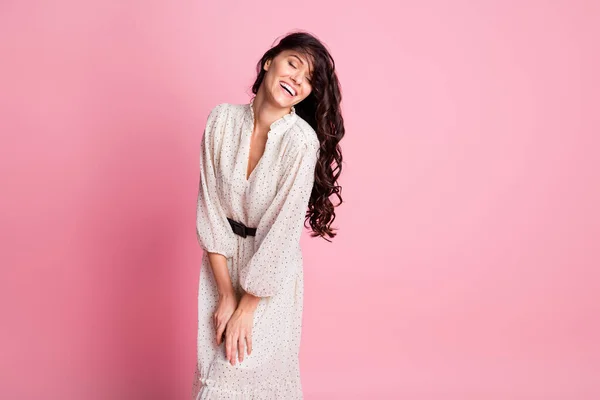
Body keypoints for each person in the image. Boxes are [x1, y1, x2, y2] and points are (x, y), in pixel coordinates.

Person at [192, 31, 345, 399]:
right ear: (268, 62)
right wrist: (226, 295)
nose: (296, 79)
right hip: (220, 267)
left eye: (309, 80)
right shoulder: (221, 121)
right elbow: (210, 210)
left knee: (247, 375)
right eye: (293, 64)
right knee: (212, 370)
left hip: (270, 278)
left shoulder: (301, 143)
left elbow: (281, 236)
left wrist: (247, 305)